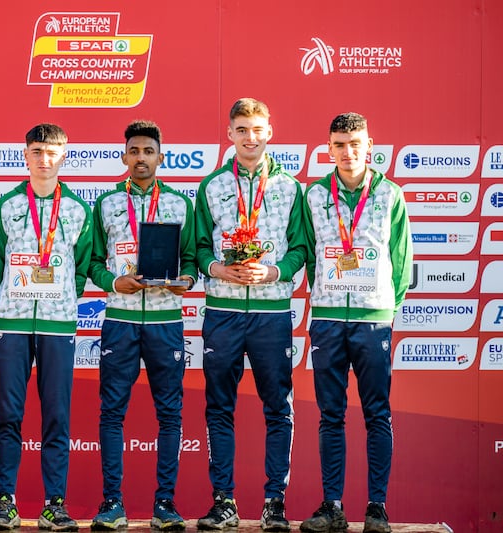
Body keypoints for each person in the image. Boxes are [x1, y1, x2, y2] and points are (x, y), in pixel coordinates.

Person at [194, 98, 306, 532]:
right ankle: (223, 501)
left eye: (257, 128)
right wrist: (215, 267)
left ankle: (274, 502)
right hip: (222, 311)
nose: (250, 137)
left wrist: (276, 271)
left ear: (270, 131)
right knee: (219, 408)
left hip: (271, 313)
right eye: (241, 129)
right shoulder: (211, 186)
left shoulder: (291, 188)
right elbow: (200, 247)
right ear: (229, 134)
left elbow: (300, 249)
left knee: (278, 408)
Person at [299, 112, 412, 533]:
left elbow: (401, 261)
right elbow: (310, 255)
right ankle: (332, 507)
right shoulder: (313, 195)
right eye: (340, 145)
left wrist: (383, 304)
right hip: (327, 320)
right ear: (329, 148)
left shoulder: (390, 194)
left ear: (370, 145)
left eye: (355, 143)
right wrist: (327, 294)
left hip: (373, 320)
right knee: (331, 415)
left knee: (377, 414)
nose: (348, 152)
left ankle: (376, 508)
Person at [88, 120, 197, 531]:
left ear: (160, 157)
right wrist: (114, 282)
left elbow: (190, 262)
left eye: (148, 152)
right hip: (120, 319)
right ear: (124, 156)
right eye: (134, 151)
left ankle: (165, 504)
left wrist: (184, 282)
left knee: (170, 414)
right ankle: (111, 503)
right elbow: (94, 262)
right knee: (112, 412)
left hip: (166, 321)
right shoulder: (106, 203)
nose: (141, 158)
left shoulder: (179, 204)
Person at [0, 123, 92, 532]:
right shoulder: (6, 205)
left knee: (56, 416)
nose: (44, 159)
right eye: (37, 151)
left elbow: (81, 267)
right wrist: (6, 299)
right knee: (8, 414)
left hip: (57, 322)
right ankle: (5, 503)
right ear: (24, 155)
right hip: (12, 322)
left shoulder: (79, 208)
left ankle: (54, 504)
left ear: (65, 154)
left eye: (52, 151)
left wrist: (63, 298)